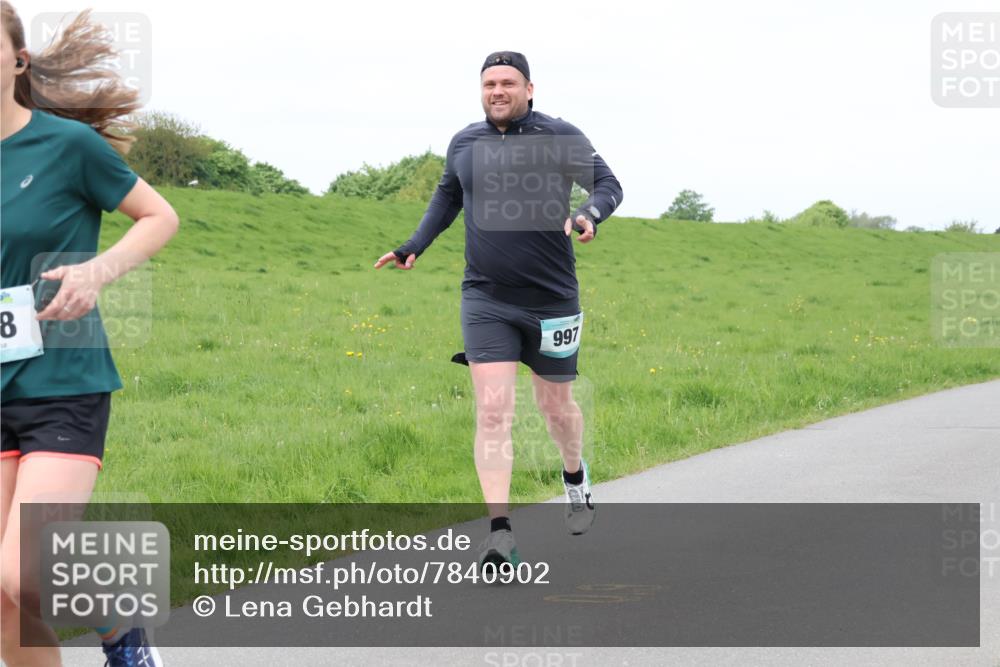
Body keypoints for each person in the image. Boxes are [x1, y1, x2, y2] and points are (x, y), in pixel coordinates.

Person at [375, 51, 622, 570]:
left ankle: (575, 477)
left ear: (530, 89)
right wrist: (412, 244)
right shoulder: (466, 143)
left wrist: (588, 213)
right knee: (492, 412)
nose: (497, 91)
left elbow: (608, 185)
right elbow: (447, 197)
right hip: (486, 299)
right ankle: (500, 534)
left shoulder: (559, 136)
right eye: (489, 83)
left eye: (508, 82)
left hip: (553, 301)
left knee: (556, 409)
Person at [1, 4, 178, 665]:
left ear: (18, 59)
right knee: (4, 605)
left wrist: (99, 271)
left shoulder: (66, 147)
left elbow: (159, 216)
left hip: (62, 381)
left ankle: (120, 629)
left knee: (27, 574)